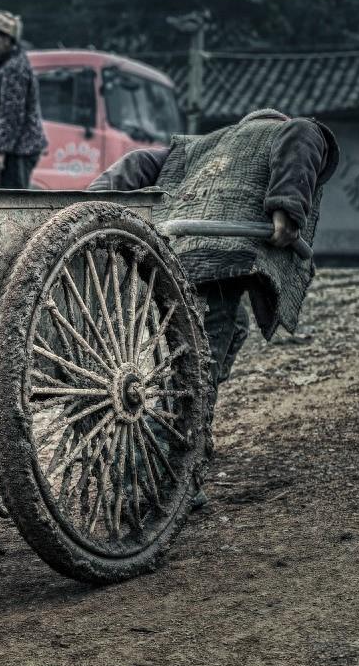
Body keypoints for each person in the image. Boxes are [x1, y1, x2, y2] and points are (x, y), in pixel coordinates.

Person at [86, 108, 339, 505]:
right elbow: (305, 133)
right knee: (194, 376)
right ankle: (149, 482)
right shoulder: (286, 130)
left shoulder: (196, 146)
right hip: (222, 260)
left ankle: (188, 457)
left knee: (224, 335)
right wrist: (288, 207)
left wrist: (84, 209)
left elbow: (135, 165)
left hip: (172, 260)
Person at [0, 10, 48, 189]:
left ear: (7, 40)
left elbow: (11, 114)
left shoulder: (14, 68)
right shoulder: (8, 65)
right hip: (14, 149)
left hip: (18, 150)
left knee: (13, 206)